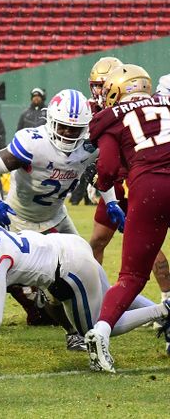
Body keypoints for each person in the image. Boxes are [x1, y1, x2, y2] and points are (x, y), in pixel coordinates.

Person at [0, 88, 120, 349]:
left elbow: (100, 174)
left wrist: (111, 202)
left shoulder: (88, 146)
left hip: (57, 217)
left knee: (86, 270)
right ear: (51, 121)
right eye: (63, 127)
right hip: (20, 220)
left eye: (74, 129)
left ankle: (91, 321)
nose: (67, 134)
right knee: (2, 273)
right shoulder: (33, 143)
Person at [0, 212, 169, 372]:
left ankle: (162, 310)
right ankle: (159, 310)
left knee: (98, 327)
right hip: (67, 245)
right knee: (110, 297)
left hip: (68, 267)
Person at [85, 65, 170, 371]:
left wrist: (104, 188)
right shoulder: (166, 103)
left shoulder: (111, 117)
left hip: (149, 189)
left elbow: (106, 169)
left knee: (132, 276)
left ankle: (102, 331)